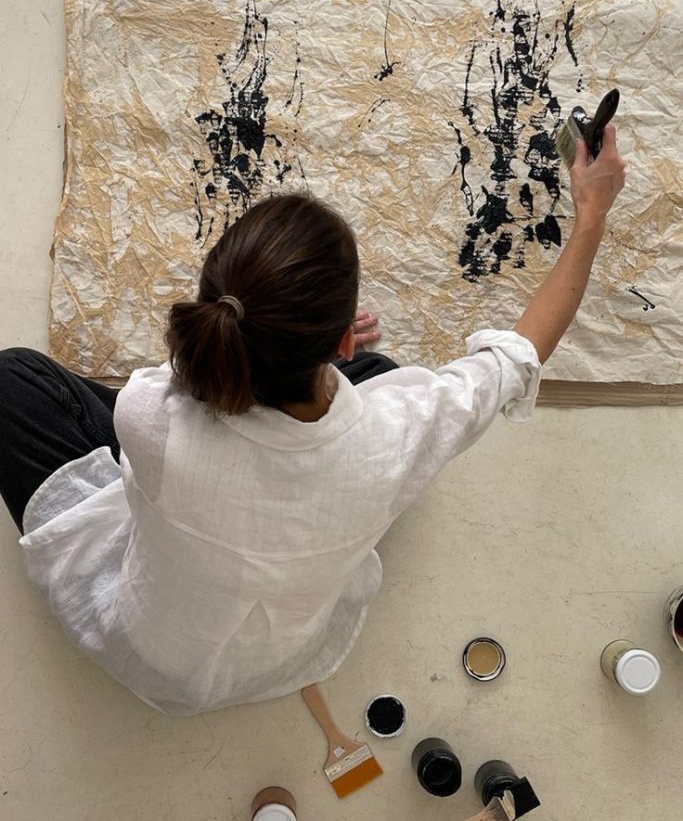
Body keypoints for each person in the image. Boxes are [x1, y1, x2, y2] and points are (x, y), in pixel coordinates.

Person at [0, 128, 625, 715]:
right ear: (341, 342)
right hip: (279, 651)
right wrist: (591, 214)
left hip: (150, 644)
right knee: (386, 372)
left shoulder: (149, 412)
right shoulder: (398, 436)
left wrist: (293, 343)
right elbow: (519, 355)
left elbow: (185, 389)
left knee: (14, 377)